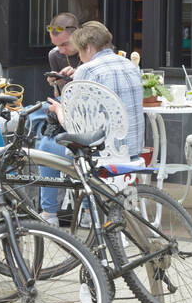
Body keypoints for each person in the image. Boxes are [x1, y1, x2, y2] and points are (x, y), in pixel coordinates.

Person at [35, 20, 145, 226]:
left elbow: (74, 126)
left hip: (104, 155)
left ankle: (49, 215)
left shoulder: (88, 70)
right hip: (133, 151)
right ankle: (86, 210)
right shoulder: (130, 65)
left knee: (46, 147)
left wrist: (58, 109)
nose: (79, 57)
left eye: (79, 52)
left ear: (87, 48)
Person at [45, 12, 81, 94]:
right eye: (56, 45)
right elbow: (61, 92)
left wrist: (79, 74)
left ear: (77, 33)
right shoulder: (54, 54)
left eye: (64, 44)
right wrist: (56, 81)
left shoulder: (92, 52)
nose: (61, 51)